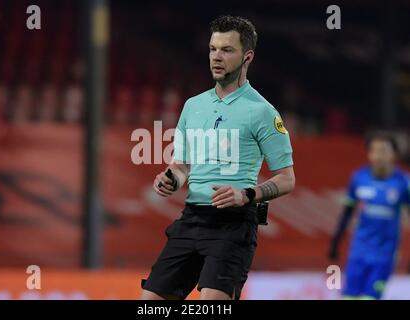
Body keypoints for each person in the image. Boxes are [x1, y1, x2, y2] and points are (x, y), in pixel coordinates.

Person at [140, 15, 295, 300]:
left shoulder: (262, 112)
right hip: (191, 220)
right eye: (213, 49)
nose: (216, 57)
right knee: (150, 303)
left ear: (247, 57)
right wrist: (170, 179)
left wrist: (247, 194)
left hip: (233, 225)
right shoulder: (193, 106)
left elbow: (287, 178)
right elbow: (182, 164)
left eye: (227, 50)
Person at [329, 132, 410, 299]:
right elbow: (347, 213)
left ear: (394, 155)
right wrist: (335, 242)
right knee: (348, 297)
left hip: (385, 255)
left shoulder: (403, 183)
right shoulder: (359, 178)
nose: (378, 156)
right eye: (374, 151)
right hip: (358, 251)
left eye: (384, 151)